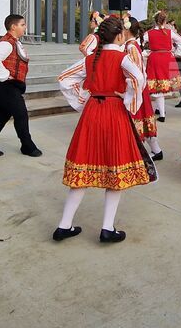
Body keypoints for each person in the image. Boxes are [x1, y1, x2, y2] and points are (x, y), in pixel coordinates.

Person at [54, 16, 157, 244]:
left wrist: (83, 100)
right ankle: (107, 228)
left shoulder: (91, 59)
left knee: (83, 165)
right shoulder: (122, 58)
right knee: (114, 167)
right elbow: (139, 79)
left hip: (92, 112)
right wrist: (128, 98)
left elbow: (64, 79)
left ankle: (64, 225)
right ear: (120, 35)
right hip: (113, 112)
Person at [0, 14, 42, 157]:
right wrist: (6, 75)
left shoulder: (14, 42)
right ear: (14, 27)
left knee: (3, 114)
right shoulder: (6, 43)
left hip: (6, 85)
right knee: (21, 114)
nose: (25, 27)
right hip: (3, 85)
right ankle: (27, 146)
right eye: (23, 24)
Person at [122, 16, 163, 160]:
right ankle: (156, 150)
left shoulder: (131, 46)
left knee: (139, 118)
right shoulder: (131, 45)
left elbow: (137, 71)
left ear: (126, 30)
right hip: (138, 88)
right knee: (145, 118)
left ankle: (139, 153)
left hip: (136, 88)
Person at [144, 11, 181, 121]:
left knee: (158, 85)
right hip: (167, 58)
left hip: (155, 58)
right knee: (163, 85)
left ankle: (162, 115)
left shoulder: (149, 33)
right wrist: (175, 52)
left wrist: (145, 52)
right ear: (165, 21)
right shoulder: (169, 32)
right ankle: (159, 109)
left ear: (155, 21)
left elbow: (140, 41)